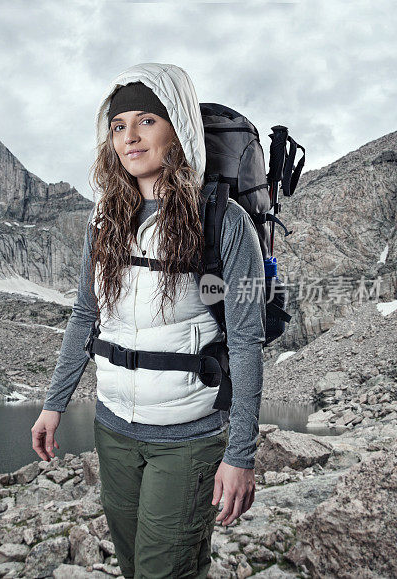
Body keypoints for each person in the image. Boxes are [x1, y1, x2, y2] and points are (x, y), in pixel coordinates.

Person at [30, 63, 265, 578]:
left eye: (146, 121)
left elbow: (247, 342)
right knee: (137, 566)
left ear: (176, 128)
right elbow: (84, 318)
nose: (130, 138)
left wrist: (241, 454)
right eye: (118, 126)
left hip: (187, 438)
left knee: (167, 570)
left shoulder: (225, 222)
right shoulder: (104, 220)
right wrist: (53, 406)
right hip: (114, 432)